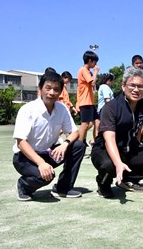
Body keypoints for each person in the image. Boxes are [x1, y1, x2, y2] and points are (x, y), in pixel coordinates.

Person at [90, 67, 143, 197]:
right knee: (109, 166)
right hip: (105, 150)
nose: (136, 90)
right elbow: (109, 139)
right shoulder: (111, 108)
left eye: (140, 86)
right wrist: (118, 163)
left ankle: (127, 179)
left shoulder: (142, 105)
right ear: (123, 86)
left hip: (131, 150)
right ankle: (103, 184)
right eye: (132, 85)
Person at [12, 72, 86, 201]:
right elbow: (21, 142)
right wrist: (41, 163)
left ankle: (63, 187)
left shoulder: (62, 108)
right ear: (40, 89)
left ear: (60, 92)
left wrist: (65, 144)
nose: (51, 92)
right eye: (48, 88)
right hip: (25, 157)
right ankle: (23, 185)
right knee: (46, 176)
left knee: (78, 145)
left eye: (56, 89)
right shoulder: (28, 109)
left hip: (48, 153)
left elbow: (75, 132)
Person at [76, 50, 99, 145]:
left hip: (90, 102)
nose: (95, 64)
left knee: (97, 121)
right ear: (90, 60)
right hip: (85, 102)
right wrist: (96, 72)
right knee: (85, 124)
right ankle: (80, 143)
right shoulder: (83, 70)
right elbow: (92, 83)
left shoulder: (87, 71)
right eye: (95, 62)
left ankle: (95, 141)